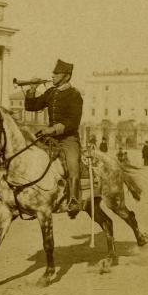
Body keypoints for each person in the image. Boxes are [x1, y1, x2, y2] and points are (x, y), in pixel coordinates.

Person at [25, 59, 83, 217]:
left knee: (73, 165)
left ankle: (73, 200)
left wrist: (52, 129)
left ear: (67, 76)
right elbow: (32, 106)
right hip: (50, 138)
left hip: (68, 139)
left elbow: (73, 122)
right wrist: (32, 89)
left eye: (56, 73)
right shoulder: (51, 92)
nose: (53, 75)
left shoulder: (75, 95)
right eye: (53, 73)